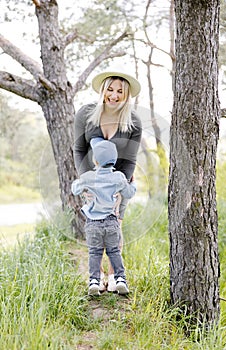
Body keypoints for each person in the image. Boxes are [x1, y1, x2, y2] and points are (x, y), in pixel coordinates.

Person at [73, 68, 142, 292]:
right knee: (94, 228)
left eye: (119, 91)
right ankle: (96, 277)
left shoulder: (133, 122)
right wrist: (87, 184)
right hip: (92, 181)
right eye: (110, 89)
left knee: (115, 227)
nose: (113, 95)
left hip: (119, 182)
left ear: (126, 94)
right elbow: (79, 149)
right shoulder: (86, 113)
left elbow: (130, 158)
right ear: (103, 90)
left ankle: (114, 278)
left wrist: (120, 190)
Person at [71, 139, 136, 296]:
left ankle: (94, 281)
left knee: (95, 252)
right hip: (112, 222)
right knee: (114, 251)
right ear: (114, 160)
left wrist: (80, 183)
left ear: (96, 160)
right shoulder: (119, 177)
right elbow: (129, 193)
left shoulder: (88, 177)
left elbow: (75, 189)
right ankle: (120, 279)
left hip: (93, 223)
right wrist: (133, 184)